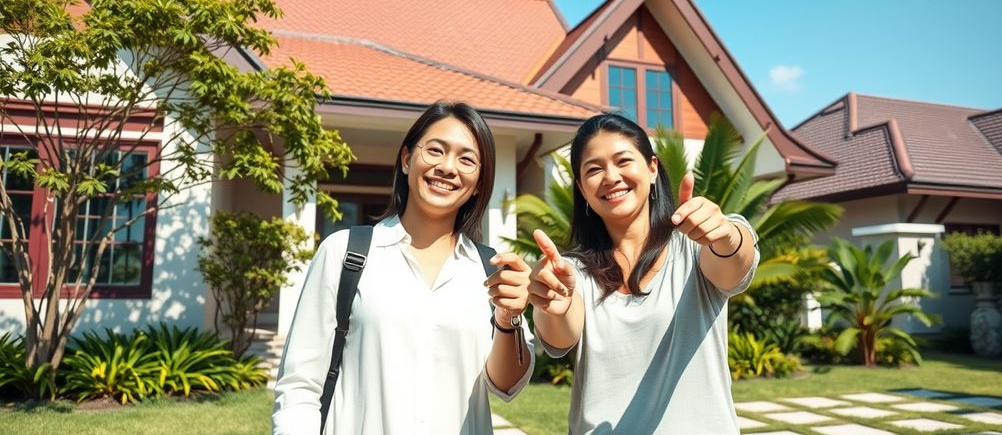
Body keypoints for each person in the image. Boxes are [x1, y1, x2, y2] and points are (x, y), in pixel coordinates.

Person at [273, 101, 535, 435]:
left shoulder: (490, 271)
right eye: (436, 150)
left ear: (480, 183)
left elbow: (506, 385)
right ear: (407, 159)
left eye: (467, 159)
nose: (448, 167)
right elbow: (299, 384)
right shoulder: (345, 253)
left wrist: (507, 319)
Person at [529, 113, 759, 434]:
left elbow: (734, 265)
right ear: (581, 189)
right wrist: (553, 304)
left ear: (652, 169)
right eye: (594, 169)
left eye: (623, 161)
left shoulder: (695, 246)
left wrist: (725, 234)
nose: (610, 176)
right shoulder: (572, 272)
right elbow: (559, 334)